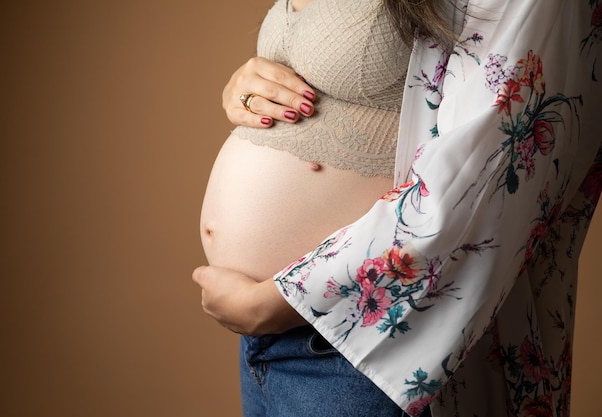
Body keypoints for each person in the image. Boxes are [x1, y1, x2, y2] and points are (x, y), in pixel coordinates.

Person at [194, 0, 602, 416]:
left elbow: (487, 172)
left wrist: (280, 302)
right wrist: (245, 87)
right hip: (270, 343)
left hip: (366, 352)